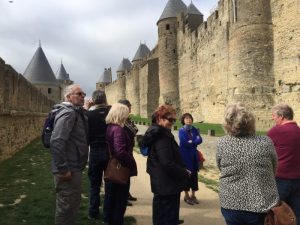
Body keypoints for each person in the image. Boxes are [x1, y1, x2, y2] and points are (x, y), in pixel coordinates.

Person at [216, 103, 279, 225]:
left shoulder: (222, 143)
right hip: (260, 203)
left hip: (231, 202)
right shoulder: (265, 142)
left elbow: (220, 167)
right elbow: (274, 168)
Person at [141, 104, 190, 225]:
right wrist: (184, 172)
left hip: (163, 182)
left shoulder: (159, 132)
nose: (172, 122)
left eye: (174, 120)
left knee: (161, 215)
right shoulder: (161, 136)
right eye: (170, 119)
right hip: (166, 184)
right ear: (159, 118)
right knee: (166, 217)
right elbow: (167, 163)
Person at [50, 84, 89, 225]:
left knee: (71, 205)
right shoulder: (68, 113)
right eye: (79, 94)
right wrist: (63, 168)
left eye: (83, 93)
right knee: (66, 207)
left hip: (73, 166)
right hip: (69, 169)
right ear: (68, 96)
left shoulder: (74, 111)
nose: (83, 96)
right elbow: (57, 141)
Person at [104, 103, 137, 225]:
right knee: (119, 200)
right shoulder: (118, 129)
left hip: (113, 165)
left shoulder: (110, 127)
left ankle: (109, 219)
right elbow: (120, 152)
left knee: (112, 198)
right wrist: (131, 162)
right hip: (120, 168)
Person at [267, 103, 300, 224]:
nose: (273, 118)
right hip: (298, 180)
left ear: (281, 116)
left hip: (280, 179)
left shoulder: (276, 131)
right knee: (296, 214)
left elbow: (265, 152)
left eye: (274, 116)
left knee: (272, 213)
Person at [86, 90, 111, 220]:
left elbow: (86, 134)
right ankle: (108, 215)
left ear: (94, 100)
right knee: (109, 184)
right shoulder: (111, 114)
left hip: (95, 150)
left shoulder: (89, 115)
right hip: (109, 151)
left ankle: (93, 212)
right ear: (105, 100)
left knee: (95, 184)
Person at [118, 99, 138, 206]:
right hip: (124, 150)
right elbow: (133, 131)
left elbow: (135, 130)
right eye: (128, 106)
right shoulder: (121, 120)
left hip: (129, 149)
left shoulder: (127, 119)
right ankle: (122, 196)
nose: (130, 108)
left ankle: (126, 193)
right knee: (123, 174)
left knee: (128, 173)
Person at [178, 113, 202, 205]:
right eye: (186, 118)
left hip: (193, 155)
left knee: (194, 175)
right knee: (187, 175)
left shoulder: (194, 129)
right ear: (183, 120)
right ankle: (186, 195)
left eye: (190, 118)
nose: (188, 120)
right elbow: (184, 143)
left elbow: (200, 139)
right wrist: (194, 141)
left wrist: (193, 141)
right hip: (185, 155)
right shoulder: (181, 130)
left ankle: (193, 195)